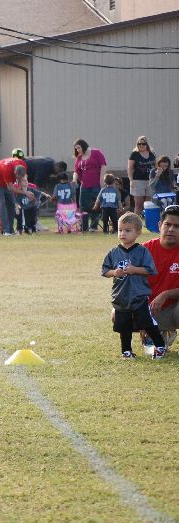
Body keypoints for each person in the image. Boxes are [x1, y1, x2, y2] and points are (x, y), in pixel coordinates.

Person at [101, 213, 167, 360]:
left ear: (138, 232)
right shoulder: (114, 252)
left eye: (127, 230)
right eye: (120, 230)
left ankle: (160, 346)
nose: (122, 233)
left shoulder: (142, 251)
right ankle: (126, 351)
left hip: (139, 296)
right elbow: (105, 271)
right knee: (124, 326)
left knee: (146, 322)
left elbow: (150, 270)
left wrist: (134, 270)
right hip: (120, 297)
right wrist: (114, 272)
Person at [144, 205, 179, 351]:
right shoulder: (144, 250)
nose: (171, 229)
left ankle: (161, 330)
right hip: (149, 309)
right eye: (167, 224)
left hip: (174, 309)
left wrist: (166, 294)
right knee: (117, 315)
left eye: (177, 226)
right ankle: (157, 331)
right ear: (159, 225)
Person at [0, 149, 28, 236]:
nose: (18, 179)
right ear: (14, 172)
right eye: (17, 177)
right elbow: (10, 188)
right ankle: (5, 230)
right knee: (2, 205)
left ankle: (10, 230)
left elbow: (23, 180)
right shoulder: (7, 170)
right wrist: (25, 193)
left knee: (11, 204)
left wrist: (24, 189)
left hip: (8, 183)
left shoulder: (23, 165)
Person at [73, 139, 108, 232]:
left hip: (96, 185)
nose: (77, 150)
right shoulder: (79, 157)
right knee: (83, 206)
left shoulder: (96, 153)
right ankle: (84, 227)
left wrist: (102, 180)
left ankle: (93, 226)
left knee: (95, 205)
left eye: (78, 148)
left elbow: (103, 165)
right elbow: (76, 171)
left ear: (83, 146)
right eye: (76, 149)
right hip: (84, 185)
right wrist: (74, 180)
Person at [128, 136, 156, 216]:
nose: (141, 145)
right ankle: (135, 221)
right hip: (138, 181)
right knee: (138, 204)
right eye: (139, 144)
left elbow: (155, 166)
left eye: (143, 144)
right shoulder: (134, 154)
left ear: (147, 144)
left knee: (148, 204)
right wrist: (131, 180)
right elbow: (130, 168)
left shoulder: (152, 154)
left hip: (150, 181)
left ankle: (148, 221)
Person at [12, 165, 40, 235]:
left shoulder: (31, 188)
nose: (26, 182)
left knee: (33, 218)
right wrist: (17, 208)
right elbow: (17, 201)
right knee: (22, 215)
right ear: (19, 184)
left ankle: (33, 228)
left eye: (26, 180)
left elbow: (38, 194)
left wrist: (36, 201)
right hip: (24, 209)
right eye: (24, 181)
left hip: (31, 208)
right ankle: (22, 229)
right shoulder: (19, 192)